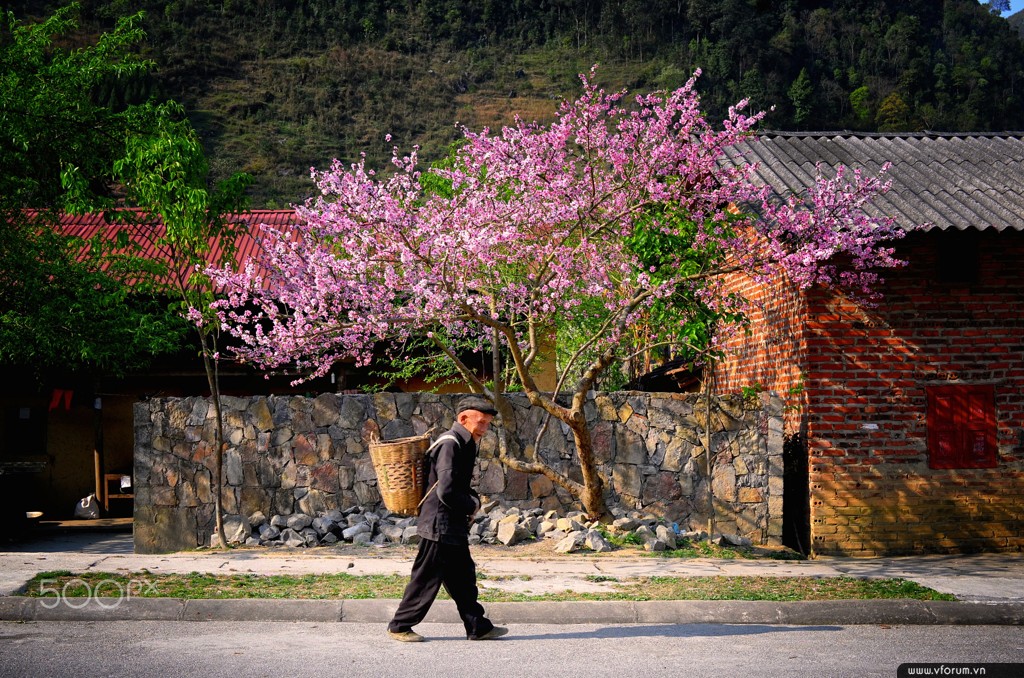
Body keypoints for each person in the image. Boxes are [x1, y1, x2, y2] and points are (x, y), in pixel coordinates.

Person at [386, 396, 509, 642]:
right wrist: (472, 505)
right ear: (463, 419)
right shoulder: (450, 444)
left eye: (487, 423)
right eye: (481, 422)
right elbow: (447, 490)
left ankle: (478, 626)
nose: (485, 428)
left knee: (463, 577)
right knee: (426, 578)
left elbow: (457, 484)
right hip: (439, 523)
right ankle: (400, 626)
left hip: (451, 524)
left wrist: (471, 502)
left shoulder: (466, 443)